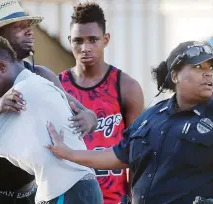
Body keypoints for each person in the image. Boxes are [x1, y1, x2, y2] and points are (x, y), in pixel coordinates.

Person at [47, 41, 213, 204]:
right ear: (175, 75)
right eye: (198, 67)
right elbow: (119, 154)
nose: (208, 73)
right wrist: (70, 154)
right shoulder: (152, 116)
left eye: (211, 68)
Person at [0, 0, 97, 203]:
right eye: (18, 27)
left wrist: (89, 118)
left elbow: (87, 115)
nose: (29, 32)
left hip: (30, 194)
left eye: (28, 27)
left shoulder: (40, 76)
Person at [59, 2, 144, 203]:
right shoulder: (57, 87)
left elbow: (137, 153)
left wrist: (136, 197)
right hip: (69, 195)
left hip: (114, 197)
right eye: (78, 41)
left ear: (105, 40)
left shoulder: (126, 86)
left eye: (93, 40)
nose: (85, 48)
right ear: (70, 40)